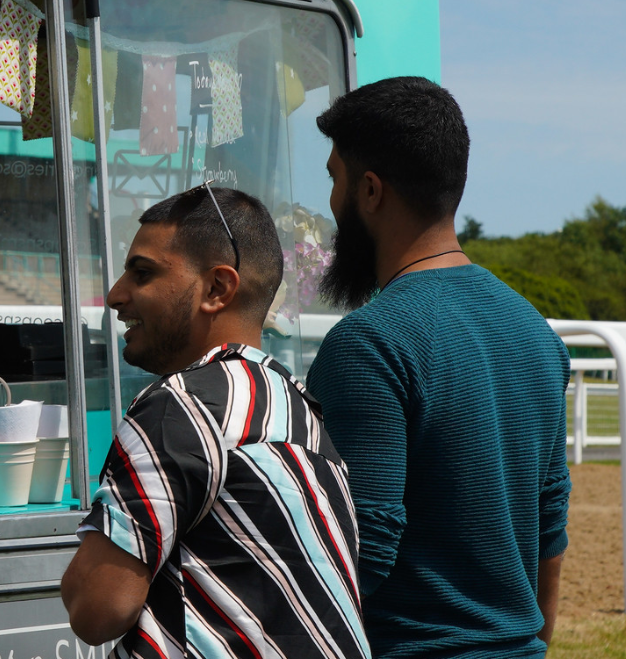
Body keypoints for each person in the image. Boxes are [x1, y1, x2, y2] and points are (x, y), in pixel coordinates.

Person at [306, 77, 570, 657]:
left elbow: (360, 553)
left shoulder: (369, 344)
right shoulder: (538, 334)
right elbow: (549, 530)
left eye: (334, 178)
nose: (329, 202)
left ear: (370, 191)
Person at [61, 184, 370, 659]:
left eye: (142, 273)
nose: (116, 295)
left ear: (217, 289)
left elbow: (97, 609)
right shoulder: (299, 411)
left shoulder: (180, 407)